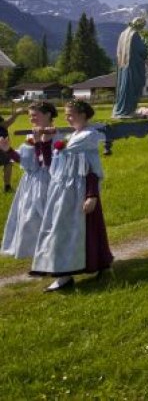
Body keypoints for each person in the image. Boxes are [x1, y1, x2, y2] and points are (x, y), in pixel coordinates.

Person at [30, 100, 112, 292]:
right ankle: (63, 274)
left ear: (83, 114)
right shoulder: (72, 135)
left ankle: (92, 265)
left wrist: (92, 195)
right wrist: (43, 142)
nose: (67, 118)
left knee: (85, 229)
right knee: (61, 229)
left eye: (70, 114)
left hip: (80, 190)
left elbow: (91, 167)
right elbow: (51, 164)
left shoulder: (88, 136)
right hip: (63, 190)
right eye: (66, 114)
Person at [2, 102, 58, 258]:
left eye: (35, 115)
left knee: (46, 218)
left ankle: (51, 254)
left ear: (47, 115)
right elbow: (23, 160)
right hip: (30, 183)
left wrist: (40, 140)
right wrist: (8, 150)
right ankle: (37, 254)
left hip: (48, 181)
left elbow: (45, 163)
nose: (31, 119)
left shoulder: (57, 136)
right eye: (30, 116)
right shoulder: (30, 136)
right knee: (29, 220)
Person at [113, 17, 148, 118]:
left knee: (123, 88)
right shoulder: (134, 34)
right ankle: (129, 111)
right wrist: (147, 47)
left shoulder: (123, 34)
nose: (142, 28)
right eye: (142, 26)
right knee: (133, 88)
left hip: (123, 67)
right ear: (139, 25)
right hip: (133, 67)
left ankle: (121, 109)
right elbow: (142, 51)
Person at [1, 108, 24, 193]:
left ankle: (7, 187)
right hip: (1, 143)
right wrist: (16, 114)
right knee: (7, 162)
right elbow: (6, 124)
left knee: (8, 162)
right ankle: (7, 187)